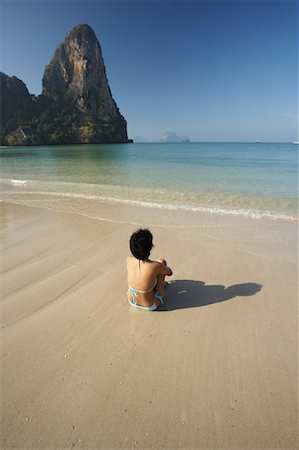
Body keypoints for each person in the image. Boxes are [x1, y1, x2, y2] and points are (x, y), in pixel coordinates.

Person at [127, 229, 173, 311]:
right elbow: (169, 273)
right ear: (151, 247)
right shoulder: (155, 266)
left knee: (149, 273)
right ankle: (161, 286)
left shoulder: (128, 260)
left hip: (131, 300)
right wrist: (161, 267)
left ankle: (152, 286)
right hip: (150, 305)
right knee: (162, 262)